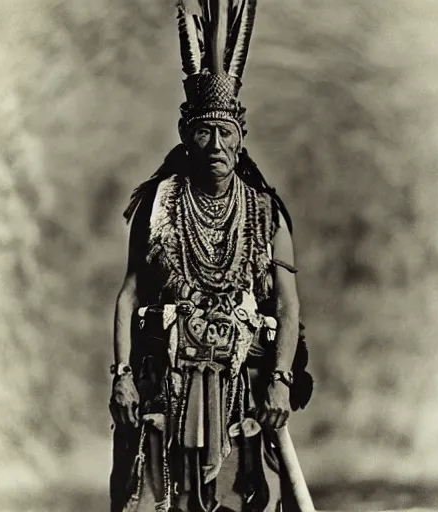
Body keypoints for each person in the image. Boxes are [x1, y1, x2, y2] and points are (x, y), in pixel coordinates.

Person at [109, 1, 313, 511]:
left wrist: (282, 382)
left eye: (226, 132)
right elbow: (130, 291)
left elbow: (288, 307)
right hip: (166, 380)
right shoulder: (157, 204)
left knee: (240, 499)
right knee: (159, 498)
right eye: (204, 131)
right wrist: (122, 376)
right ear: (186, 136)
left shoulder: (266, 212)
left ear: (241, 141)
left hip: (242, 386)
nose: (215, 143)